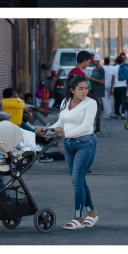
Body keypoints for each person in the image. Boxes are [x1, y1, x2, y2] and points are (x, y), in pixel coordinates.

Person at [36, 75, 99, 229]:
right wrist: (48, 129)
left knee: (77, 180)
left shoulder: (91, 103)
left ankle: (78, 219)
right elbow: (61, 123)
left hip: (85, 143)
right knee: (79, 180)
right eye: (81, 89)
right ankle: (92, 213)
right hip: (69, 145)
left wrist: (64, 134)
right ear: (72, 90)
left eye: (86, 88)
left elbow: (86, 126)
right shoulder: (65, 102)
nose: (85, 91)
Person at [90, 56, 105, 133]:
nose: (92, 62)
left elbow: (102, 81)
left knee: (98, 111)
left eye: (93, 61)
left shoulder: (101, 70)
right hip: (93, 92)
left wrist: (92, 79)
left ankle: (98, 128)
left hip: (98, 93)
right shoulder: (94, 69)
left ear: (97, 61)